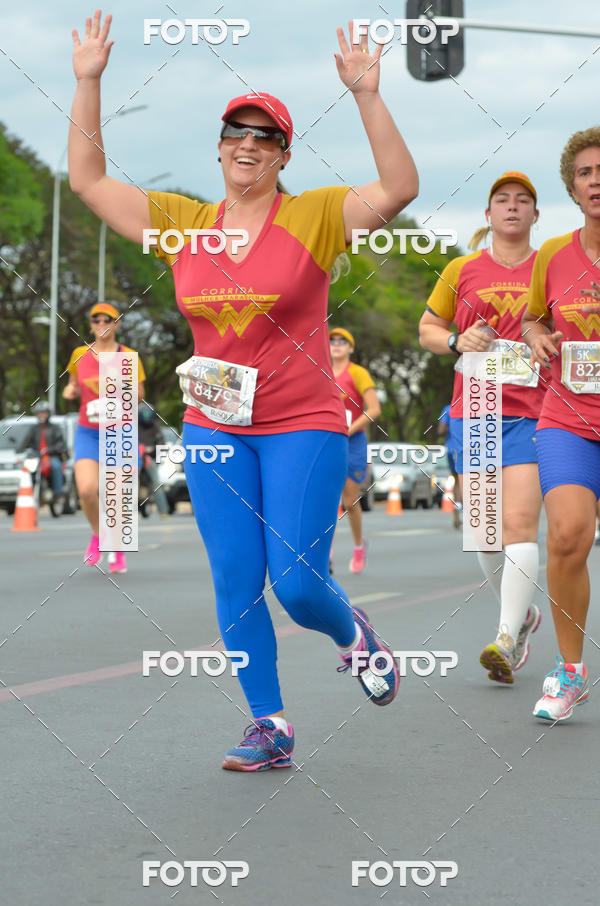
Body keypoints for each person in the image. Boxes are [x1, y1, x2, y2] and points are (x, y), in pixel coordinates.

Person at [68, 11, 418, 770]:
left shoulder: (316, 216)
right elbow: (89, 181)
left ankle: (352, 634)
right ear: (221, 147)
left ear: (283, 154)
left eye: (264, 137)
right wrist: (88, 81)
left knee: (295, 583)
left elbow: (399, 186)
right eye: (236, 133)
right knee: (236, 579)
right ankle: (271, 725)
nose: (248, 145)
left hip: (304, 422)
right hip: (215, 425)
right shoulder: (185, 224)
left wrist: (366, 95)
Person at [419, 172, 546, 686]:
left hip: (534, 412)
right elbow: (428, 330)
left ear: (536, 215)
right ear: (487, 215)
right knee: (485, 533)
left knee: (517, 524)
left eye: (523, 201)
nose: (512, 207)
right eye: (502, 200)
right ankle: (524, 615)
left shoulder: (552, 266)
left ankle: (506, 636)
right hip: (474, 409)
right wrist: (456, 341)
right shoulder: (461, 268)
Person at [522, 128, 600, 721]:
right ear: (572, 187)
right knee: (568, 535)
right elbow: (530, 321)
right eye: (584, 172)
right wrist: (539, 335)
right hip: (567, 415)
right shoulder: (552, 254)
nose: (596, 180)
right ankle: (569, 672)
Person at [63, 302, 146, 573]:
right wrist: (70, 392)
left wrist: (118, 394)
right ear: (91, 324)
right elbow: (73, 385)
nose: (101, 324)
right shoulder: (79, 354)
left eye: (107, 319)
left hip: (120, 432)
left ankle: (118, 547)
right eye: (96, 320)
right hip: (88, 431)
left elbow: (140, 394)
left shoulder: (128, 355)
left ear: (116, 323)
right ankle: (99, 536)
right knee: (87, 490)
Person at [329, 326, 380, 573]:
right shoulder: (320, 372)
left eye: (342, 341)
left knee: (350, 501)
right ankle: (324, 553)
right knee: (325, 500)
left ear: (350, 348)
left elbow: (374, 409)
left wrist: (348, 429)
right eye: (332, 340)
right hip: (327, 441)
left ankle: (359, 546)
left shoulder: (358, 373)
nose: (336, 344)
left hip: (353, 441)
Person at [17, 401, 67, 499]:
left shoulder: (55, 428)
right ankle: (29, 489)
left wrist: (50, 449)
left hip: (51, 456)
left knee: (56, 466)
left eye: (44, 412)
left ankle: (57, 492)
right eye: (40, 413)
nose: (42, 415)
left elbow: (61, 444)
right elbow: (25, 441)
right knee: (27, 469)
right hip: (36, 456)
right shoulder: (34, 429)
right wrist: (19, 449)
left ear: (48, 413)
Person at [138, 402, 169, 518]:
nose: (147, 418)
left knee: (156, 483)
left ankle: (163, 511)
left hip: (151, 459)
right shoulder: (133, 426)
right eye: (144, 415)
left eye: (149, 415)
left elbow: (162, 445)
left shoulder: (156, 428)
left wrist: (151, 451)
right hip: (134, 459)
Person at [437, 402, 462, 528]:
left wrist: (451, 427)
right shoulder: (476, 405)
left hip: (452, 449)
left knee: (457, 481)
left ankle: (457, 511)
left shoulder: (448, 409)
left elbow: (440, 430)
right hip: (472, 448)